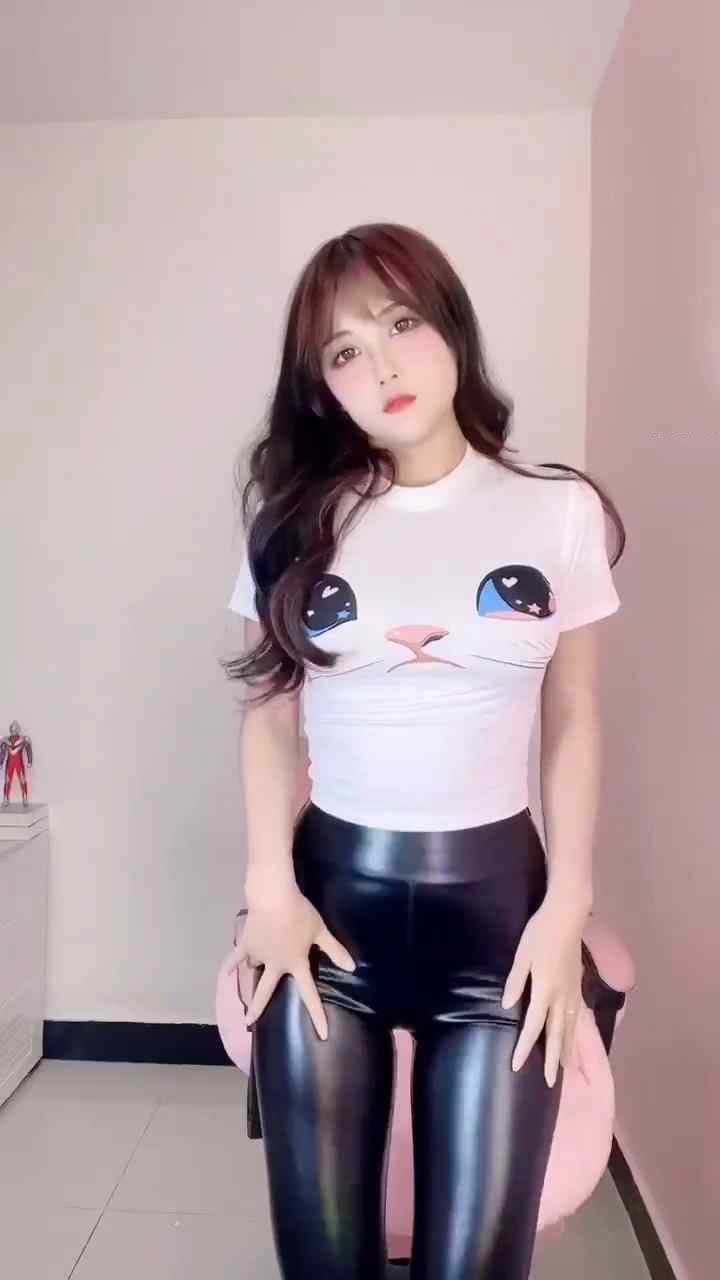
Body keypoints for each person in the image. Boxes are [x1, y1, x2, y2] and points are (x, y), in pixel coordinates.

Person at [220, 222, 625, 1279]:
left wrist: (567, 907)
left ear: (452, 327)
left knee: (477, 1263)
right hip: (328, 910)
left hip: (499, 921)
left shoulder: (559, 511)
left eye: (400, 324)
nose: (382, 366)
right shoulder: (294, 522)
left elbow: (575, 719)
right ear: (323, 386)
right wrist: (268, 888)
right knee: (325, 1262)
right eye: (345, 351)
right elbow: (269, 716)